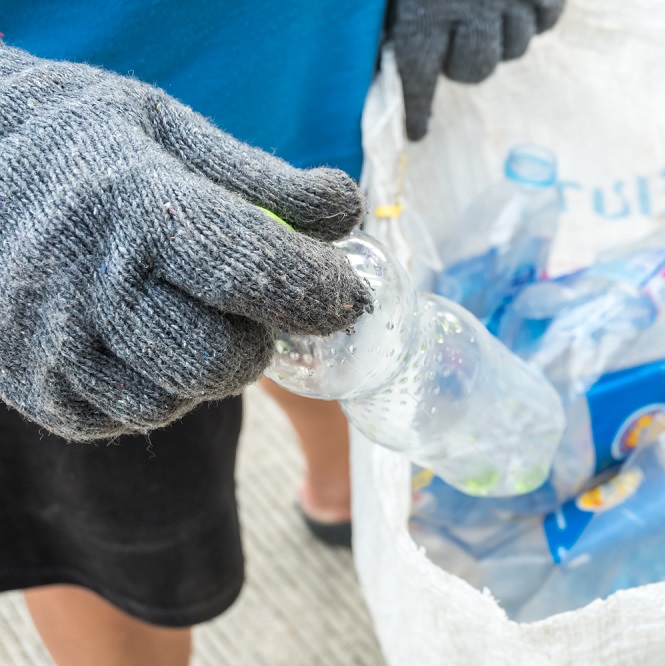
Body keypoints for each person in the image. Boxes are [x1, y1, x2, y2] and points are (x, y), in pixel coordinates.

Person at [0, 1, 563, 664]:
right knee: (117, 547)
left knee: (336, 334)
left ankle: (342, 493)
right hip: (74, 218)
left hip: (313, 100)